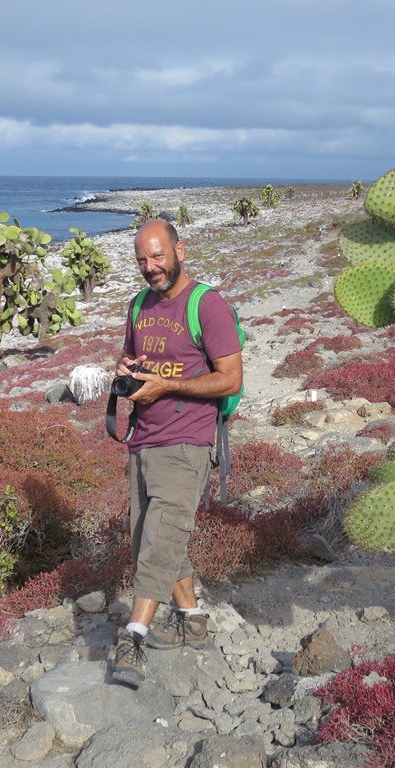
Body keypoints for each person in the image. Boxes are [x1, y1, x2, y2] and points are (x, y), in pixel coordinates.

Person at [109, 219, 244, 688]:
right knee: (151, 533)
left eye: (158, 256)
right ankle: (192, 620)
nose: (151, 268)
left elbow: (230, 378)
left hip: (188, 440)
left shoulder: (207, 305)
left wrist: (170, 385)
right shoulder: (139, 305)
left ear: (179, 249)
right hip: (144, 438)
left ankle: (135, 636)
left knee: (159, 537)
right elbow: (130, 359)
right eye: (142, 261)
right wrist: (126, 370)